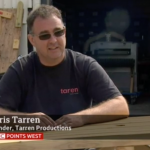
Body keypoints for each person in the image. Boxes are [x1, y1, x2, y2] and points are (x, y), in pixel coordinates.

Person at [0, 5, 129, 128]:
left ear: (65, 32)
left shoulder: (84, 65)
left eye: (58, 32)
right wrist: (26, 120)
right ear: (32, 40)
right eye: (45, 35)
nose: (53, 40)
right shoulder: (20, 70)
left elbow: (121, 106)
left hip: (77, 144)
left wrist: (82, 118)